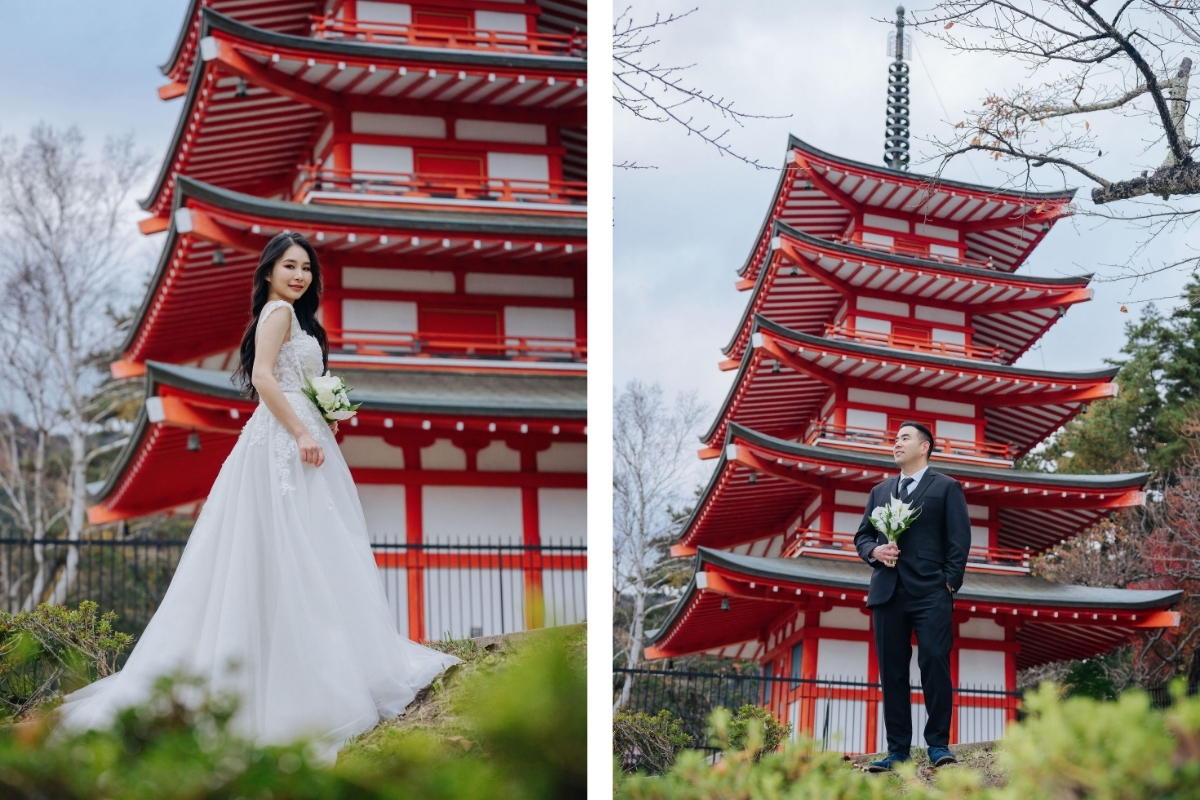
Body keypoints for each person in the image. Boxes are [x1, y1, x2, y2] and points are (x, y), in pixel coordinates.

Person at [55, 232, 459, 760]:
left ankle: (322, 660)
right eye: (289, 266)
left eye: (307, 268)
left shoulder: (296, 319)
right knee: (295, 548)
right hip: (285, 440)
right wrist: (302, 431)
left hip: (300, 434)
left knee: (312, 547)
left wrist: (322, 412)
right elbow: (265, 379)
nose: (299, 275)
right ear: (268, 271)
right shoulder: (277, 315)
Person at [852, 422, 970, 771]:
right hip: (887, 593)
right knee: (892, 672)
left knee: (934, 662)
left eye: (904, 438)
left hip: (931, 591)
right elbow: (862, 537)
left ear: (925, 447)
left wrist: (949, 582)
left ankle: (937, 744)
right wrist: (875, 552)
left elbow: (959, 539)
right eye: (895, 439)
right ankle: (897, 750)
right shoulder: (879, 491)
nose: (896, 443)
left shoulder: (947, 488)